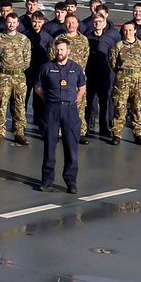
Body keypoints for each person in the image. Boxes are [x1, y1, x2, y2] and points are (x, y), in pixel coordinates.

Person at [34, 38, 86, 194]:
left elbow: (82, 88)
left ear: (68, 51)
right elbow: (38, 87)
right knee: (49, 146)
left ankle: (71, 182)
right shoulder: (46, 68)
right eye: (57, 50)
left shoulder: (76, 68)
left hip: (70, 111)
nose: (59, 52)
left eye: (62, 49)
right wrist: (49, 100)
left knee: (71, 147)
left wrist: (71, 101)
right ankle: (47, 181)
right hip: (52, 109)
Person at [50, 14, 90, 144]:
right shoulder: (59, 39)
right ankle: (60, 132)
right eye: (68, 23)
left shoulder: (83, 40)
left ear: (77, 24)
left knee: (79, 105)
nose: (71, 25)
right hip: (60, 75)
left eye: (73, 22)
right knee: (61, 104)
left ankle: (80, 132)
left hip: (76, 77)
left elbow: (85, 58)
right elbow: (52, 56)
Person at [0, 12, 31, 145]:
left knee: (19, 104)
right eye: (9, 22)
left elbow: (27, 60)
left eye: (14, 23)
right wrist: (3, 70)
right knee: (1, 104)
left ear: (17, 24)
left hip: (19, 76)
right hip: (4, 76)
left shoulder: (24, 39)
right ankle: (0, 132)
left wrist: (17, 69)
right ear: (5, 23)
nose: (11, 25)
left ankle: (19, 132)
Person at [109, 22, 141, 145]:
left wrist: (137, 74)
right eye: (125, 30)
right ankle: (117, 134)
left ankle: (138, 134)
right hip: (122, 79)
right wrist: (123, 73)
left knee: (136, 107)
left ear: (135, 31)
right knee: (120, 107)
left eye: (130, 30)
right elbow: (113, 63)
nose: (128, 33)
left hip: (138, 80)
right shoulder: (118, 46)